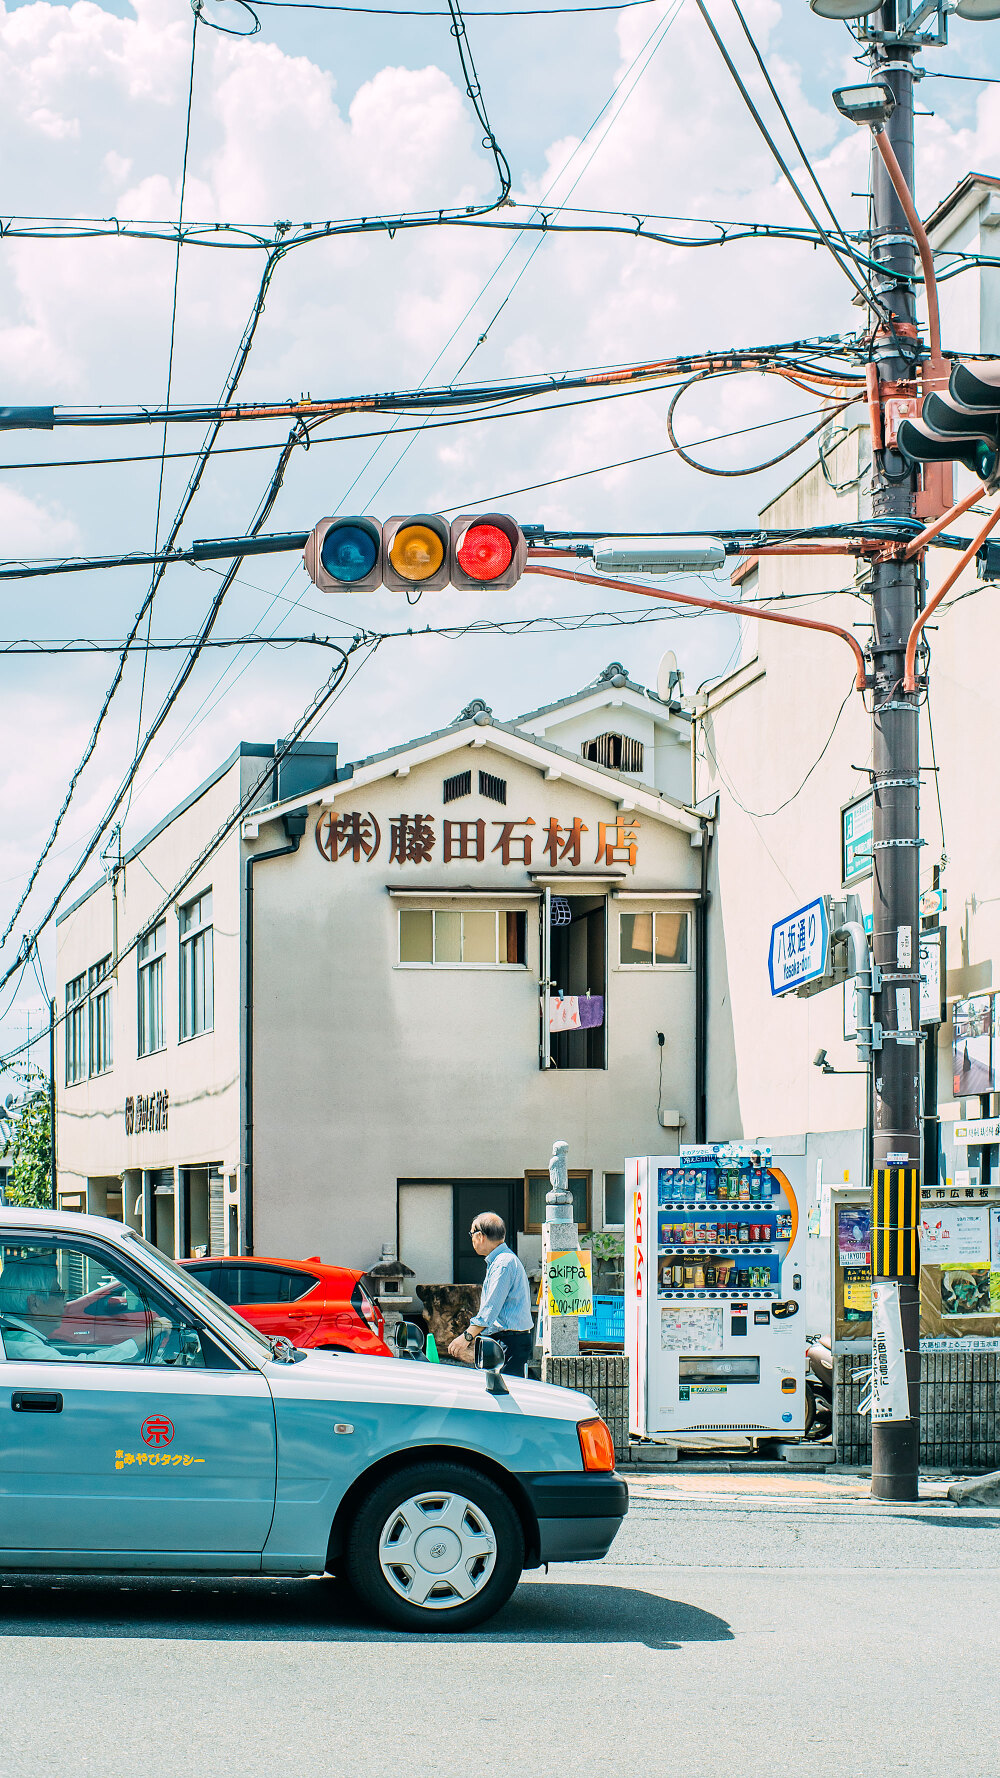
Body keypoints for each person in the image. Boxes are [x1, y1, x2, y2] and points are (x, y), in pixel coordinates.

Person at [0, 1258, 169, 1363]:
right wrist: (144, 1338)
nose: (65, 1300)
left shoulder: (16, 1339)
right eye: (58, 1293)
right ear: (34, 1303)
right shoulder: (21, 1347)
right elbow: (80, 1369)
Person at [448, 1213, 534, 1377]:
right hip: (508, 1340)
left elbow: (490, 1309)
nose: (471, 1239)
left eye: (471, 1234)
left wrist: (466, 1337)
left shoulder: (503, 1264)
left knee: (504, 1393)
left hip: (509, 1341)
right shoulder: (503, 1260)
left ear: (480, 1236)